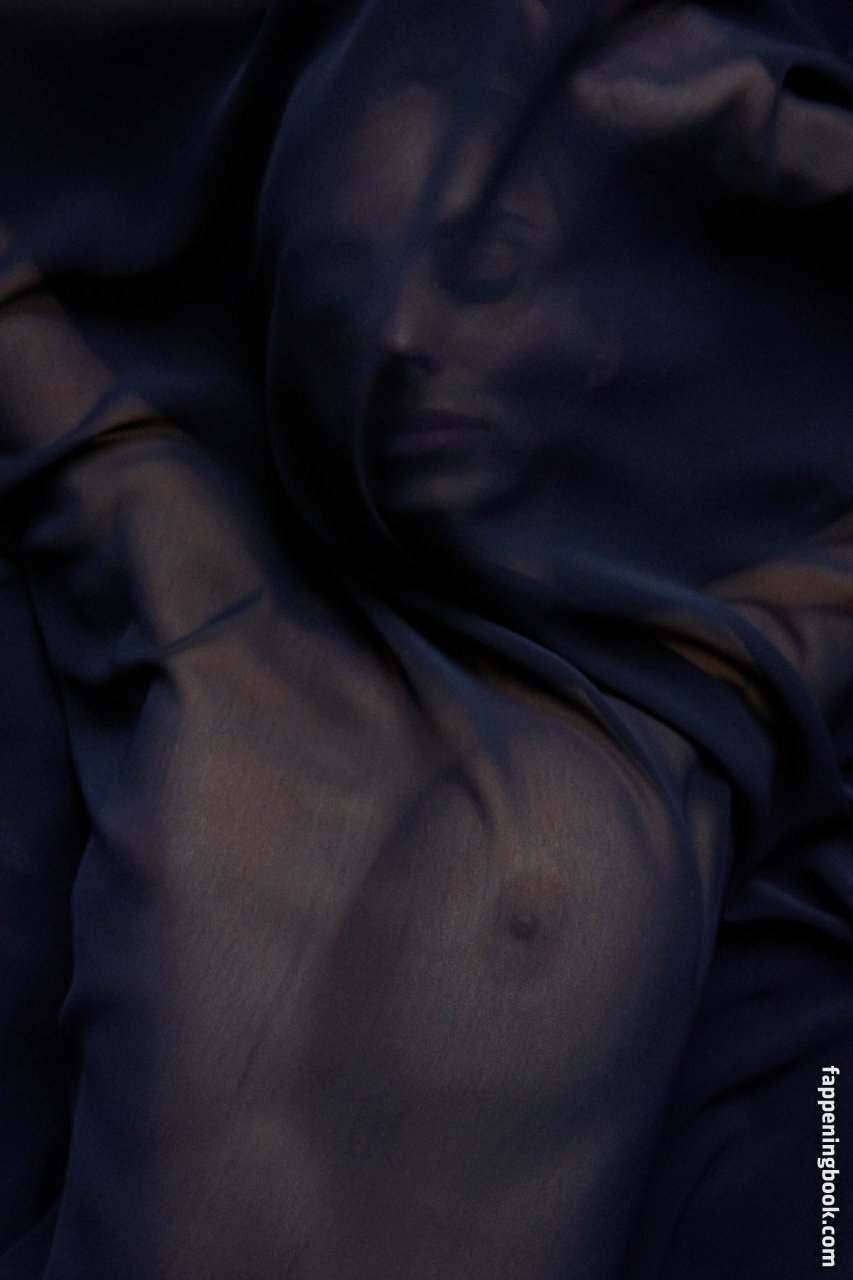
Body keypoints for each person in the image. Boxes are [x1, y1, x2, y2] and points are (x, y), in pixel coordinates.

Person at [1, 2, 852, 1277]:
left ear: (601, 331)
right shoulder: (202, 600)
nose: (401, 336)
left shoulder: (682, 702)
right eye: (348, 282)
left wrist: (726, 116)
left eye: (485, 267)